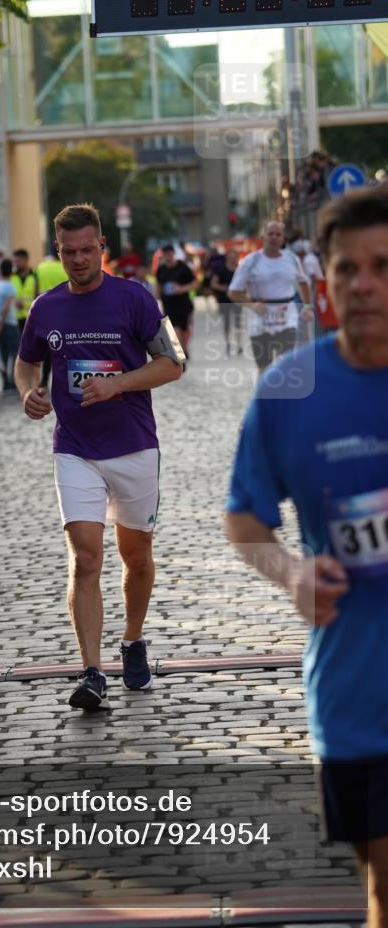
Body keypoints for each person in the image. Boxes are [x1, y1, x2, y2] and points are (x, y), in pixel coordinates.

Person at [226, 186, 388, 928]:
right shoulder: (290, 390)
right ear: (319, 277)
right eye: (347, 268)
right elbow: (244, 519)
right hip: (359, 698)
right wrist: (291, 572)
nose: (364, 285)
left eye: (382, 266)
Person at [14, 203, 182, 711]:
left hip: (134, 445)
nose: (79, 260)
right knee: (86, 557)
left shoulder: (135, 299)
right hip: (74, 449)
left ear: (102, 247)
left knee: (137, 559)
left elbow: (174, 363)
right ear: (58, 252)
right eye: (69, 252)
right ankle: (91, 672)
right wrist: (28, 394)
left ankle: (132, 639)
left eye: (88, 250)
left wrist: (118, 386)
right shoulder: (45, 308)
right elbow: (25, 366)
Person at [228, 220, 314, 371]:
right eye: (270, 234)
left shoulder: (291, 259)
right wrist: (251, 304)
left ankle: (285, 394)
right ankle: (266, 394)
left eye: (278, 234)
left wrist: (307, 306)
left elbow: (303, 282)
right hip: (260, 320)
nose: (274, 237)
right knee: (264, 368)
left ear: (283, 238)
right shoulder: (251, 261)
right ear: (263, 237)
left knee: (286, 364)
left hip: (287, 318)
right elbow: (233, 292)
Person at [155, 244, 196, 358]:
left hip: (184, 303)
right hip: (168, 304)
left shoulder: (183, 267)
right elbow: (159, 285)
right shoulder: (161, 270)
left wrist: (182, 289)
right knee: (174, 329)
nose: (168, 257)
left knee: (186, 329)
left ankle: (184, 348)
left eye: (170, 254)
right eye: (166, 255)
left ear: (173, 254)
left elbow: (195, 283)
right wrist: (156, 301)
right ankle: (180, 352)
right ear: (163, 256)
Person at [36, 253, 68, 388]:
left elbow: (35, 288)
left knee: (49, 346)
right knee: (65, 345)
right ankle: (63, 378)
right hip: (64, 310)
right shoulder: (63, 267)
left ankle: (44, 379)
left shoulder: (40, 268)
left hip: (45, 310)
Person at [0, 259, 19, 391]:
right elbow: (6, 308)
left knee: (2, 353)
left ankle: (5, 382)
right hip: (9, 323)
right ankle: (12, 380)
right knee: (15, 353)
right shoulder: (9, 286)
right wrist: (2, 323)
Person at [211, 248, 243, 356]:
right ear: (227, 258)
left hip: (237, 299)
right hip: (224, 300)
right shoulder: (221, 269)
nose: (233, 259)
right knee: (227, 323)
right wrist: (223, 288)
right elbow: (213, 284)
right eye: (231, 257)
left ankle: (239, 345)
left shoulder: (240, 269)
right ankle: (228, 343)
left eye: (234, 257)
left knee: (238, 322)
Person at [10, 249, 39, 337]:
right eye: (14, 261)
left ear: (26, 260)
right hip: (16, 319)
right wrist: (15, 303)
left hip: (32, 317)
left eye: (18, 261)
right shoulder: (12, 277)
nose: (16, 264)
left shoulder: (35, 276)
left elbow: (39, 295)